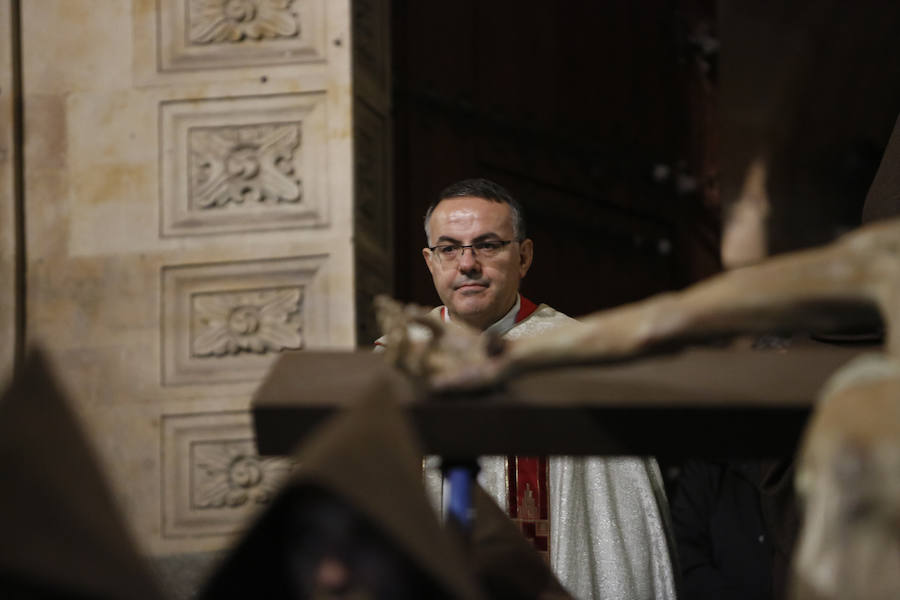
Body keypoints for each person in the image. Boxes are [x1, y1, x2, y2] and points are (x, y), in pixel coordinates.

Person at [379, 178, 677, 599]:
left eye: (487, 245)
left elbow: (619, 540)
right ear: (430, 261)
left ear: (524, 256)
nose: (467, 264)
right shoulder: (392, 365)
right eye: (449, 248)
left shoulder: (578, 363)